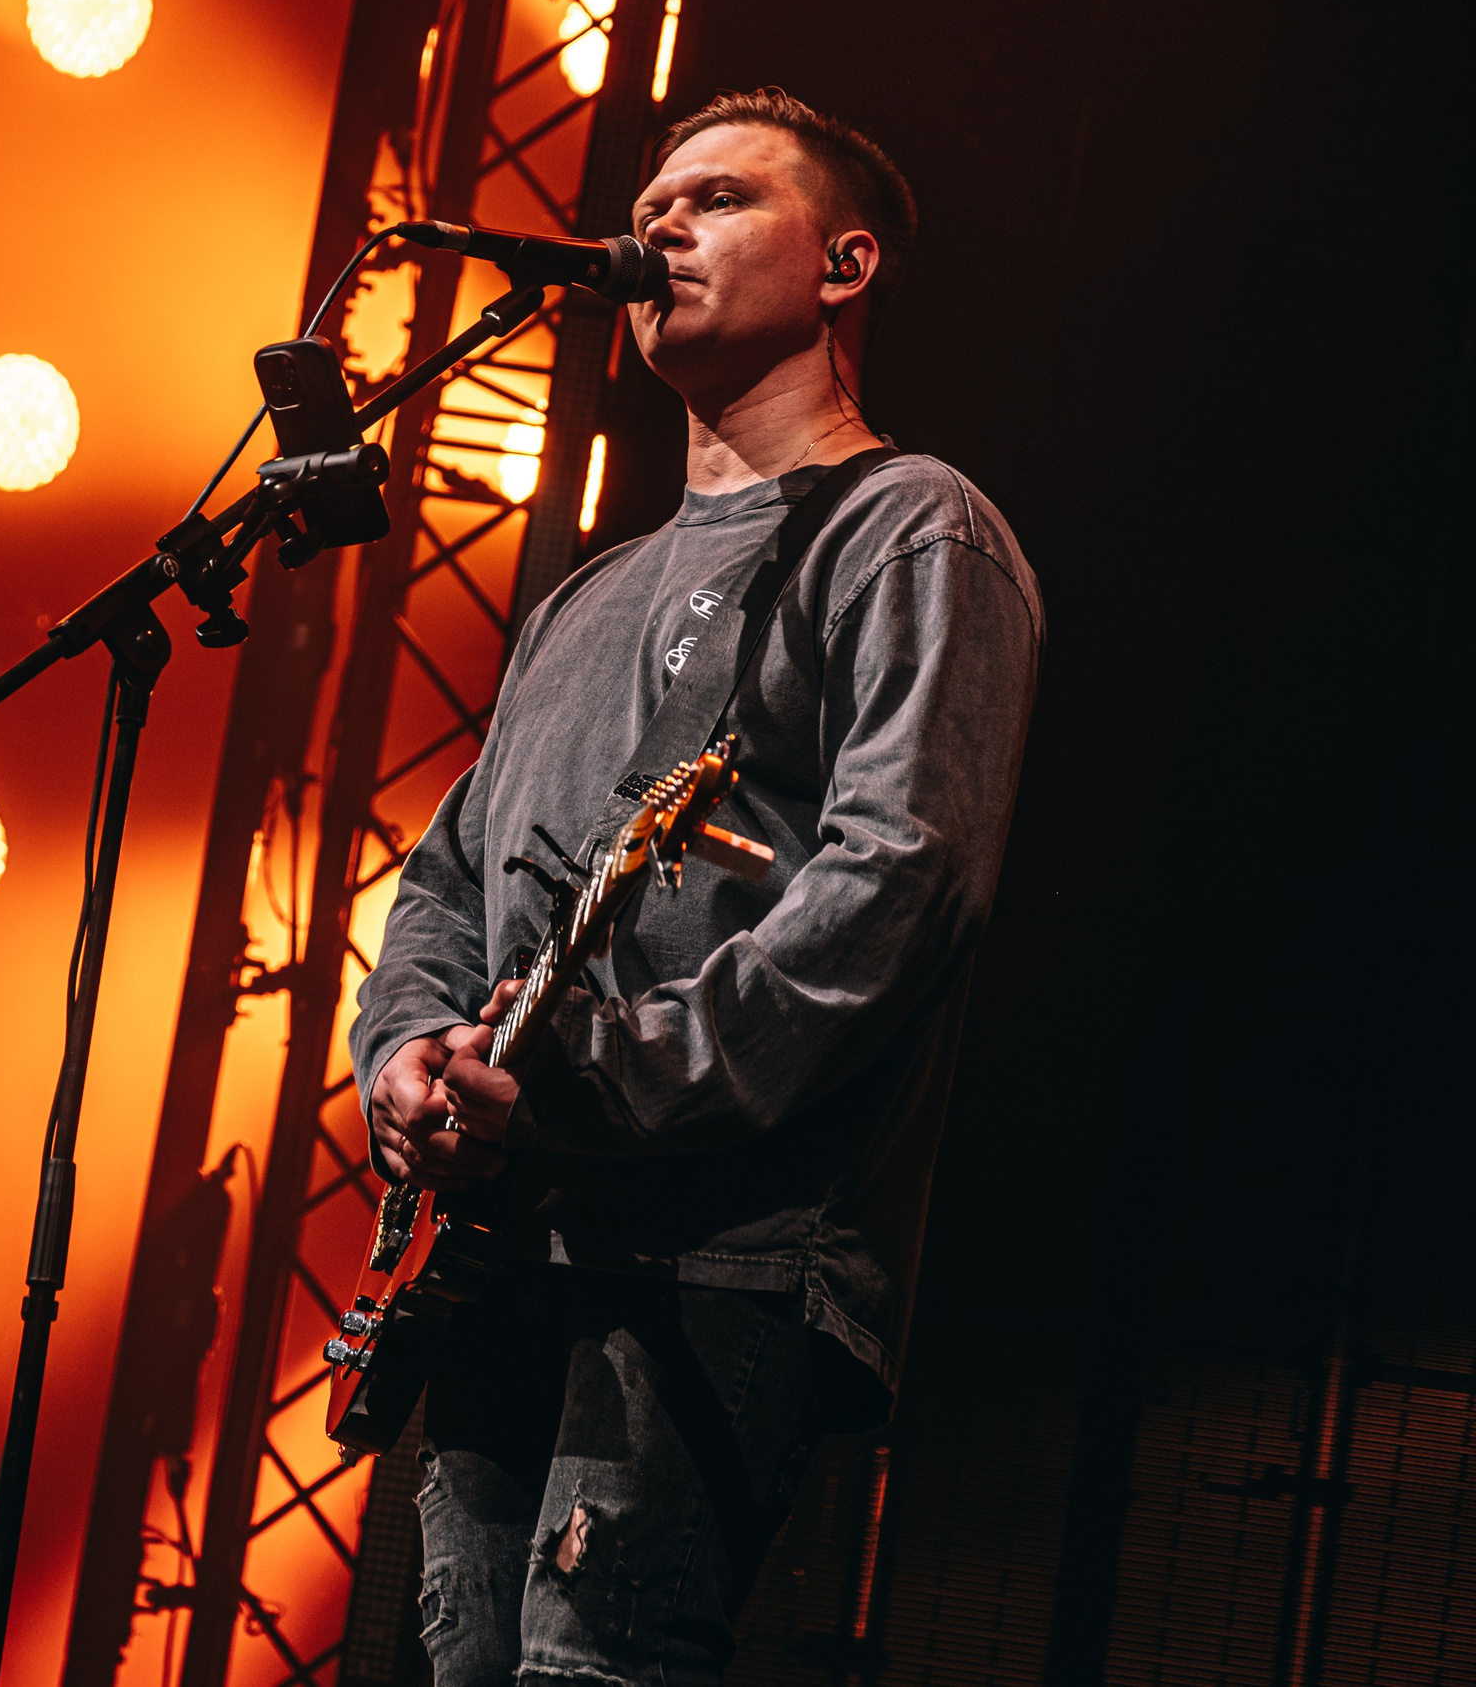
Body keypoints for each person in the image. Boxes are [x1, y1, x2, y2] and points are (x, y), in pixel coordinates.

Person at [350, 90, 1042, 1685]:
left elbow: (898, 883)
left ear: (843, 262)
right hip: (506, 1238)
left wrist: (591, 1072)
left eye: (718, 199)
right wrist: (403, 1050)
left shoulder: (911, 530)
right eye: (653, 202)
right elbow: (448, 879)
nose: (660, 226)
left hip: (724, 1249)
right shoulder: (587, 596)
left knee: (602, 1659)